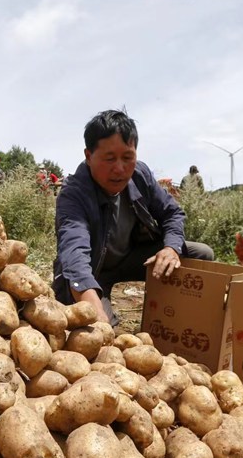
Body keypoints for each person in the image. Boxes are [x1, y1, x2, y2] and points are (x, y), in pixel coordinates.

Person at [52, 109, 214, 325]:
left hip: (133, 259)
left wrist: (171, 249)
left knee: (200, 254)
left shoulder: (140, 175)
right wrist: (92, 306)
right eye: (109, 158)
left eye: (128, 158)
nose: (119, 168)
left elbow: (172, 213)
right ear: (89, 156)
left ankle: (171, 322)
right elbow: (74, 251)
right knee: (97, 328)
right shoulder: (74, 194)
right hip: (94, 273)